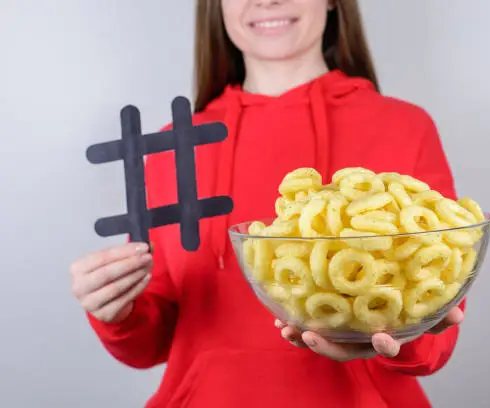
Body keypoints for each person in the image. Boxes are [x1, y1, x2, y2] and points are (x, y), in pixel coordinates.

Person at [70, 0, 466, 407]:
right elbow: (151, 343)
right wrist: (117, 311)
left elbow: (437, 332)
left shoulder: (403, 127)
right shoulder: (174, 147)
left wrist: (403, 337)